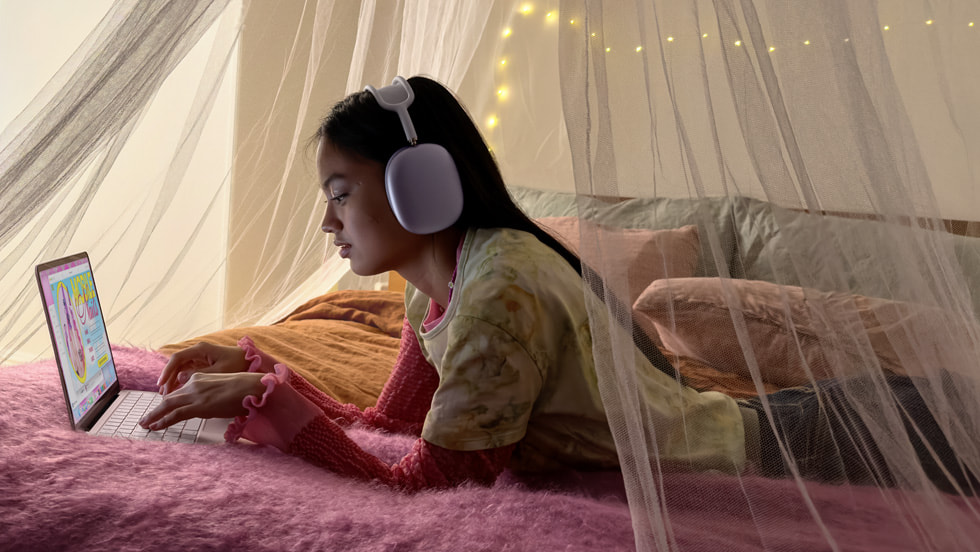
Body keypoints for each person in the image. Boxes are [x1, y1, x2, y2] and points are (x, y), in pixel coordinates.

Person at [139, 75, 975, 495]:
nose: (328, 222)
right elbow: (394, 424)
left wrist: (273, 406)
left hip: (784, 448)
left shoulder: (502, 291)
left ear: (418, 187)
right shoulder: (437, 279)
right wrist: (257, 370)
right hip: (776, 424)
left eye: (339, 193)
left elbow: (424, 481)